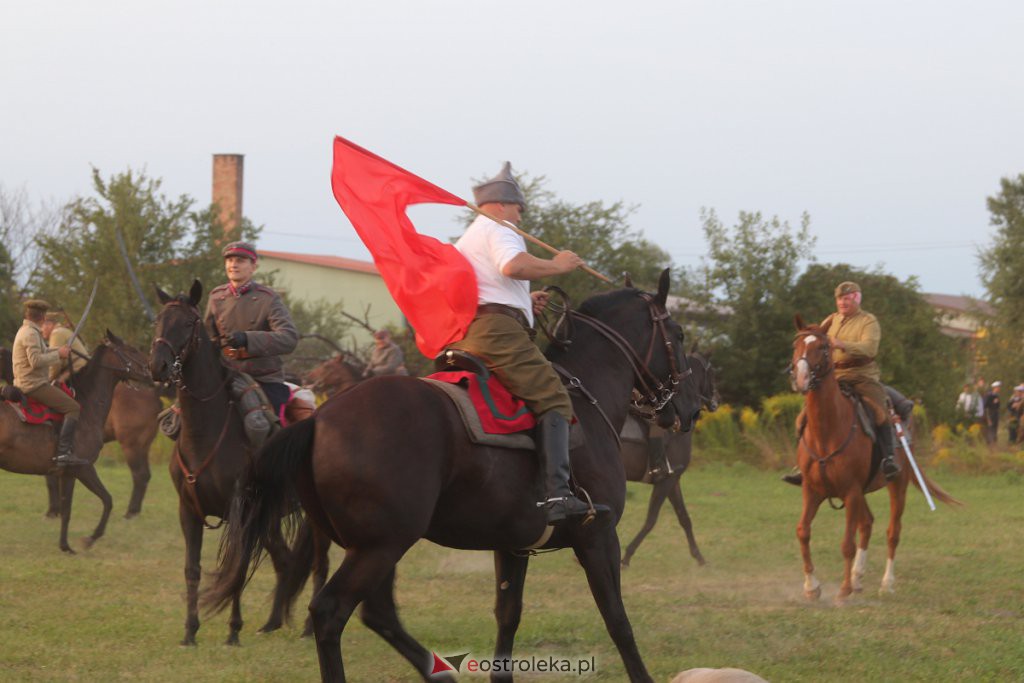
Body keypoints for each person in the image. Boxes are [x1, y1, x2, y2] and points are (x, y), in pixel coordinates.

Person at [446, 162, 610, 526]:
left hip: (479, 328)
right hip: (498, 333)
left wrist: (524, 299)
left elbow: (495, 283)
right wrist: (557, 265)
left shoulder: (472, 235)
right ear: (503, 204)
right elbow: (512, 266)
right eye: (519, 205)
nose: (522, 212)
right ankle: (557, 496)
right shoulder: (501, 227)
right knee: (554, 397)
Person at [784, 281, 900, 485]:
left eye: (847, 298)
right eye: (839, 299)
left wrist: (842, 344)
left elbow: (869, 349)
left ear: (856, 299)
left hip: (862, 375)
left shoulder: (868, 321)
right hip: (834, 376)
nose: (842, 302)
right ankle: (803, 466)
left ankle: (888, 459)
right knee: (803, 417)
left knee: (880, 413)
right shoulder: (831, 320)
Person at [204, 241, 300, 419]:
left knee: (262, 426)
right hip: (225, 374)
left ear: (253, 266)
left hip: (262, 378)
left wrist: (248, 339)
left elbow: (289, 338)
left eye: (240, 260)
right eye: (230, 260)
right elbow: (208, 339)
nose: (233, 264)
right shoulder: (216, 296)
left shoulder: (268, 299)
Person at [11, 300, 88, 466]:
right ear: (43, 317)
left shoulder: (27, 330)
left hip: (30, 382)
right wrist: (58, 355)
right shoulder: (31, 334)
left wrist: (58, 351)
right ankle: (63, 453)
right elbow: (36, 361)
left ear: (28, 315)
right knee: (73, 407)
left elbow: (43, 351)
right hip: (33, 385)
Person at [41, 311, 88, 383]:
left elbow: (55, 364)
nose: (41, 330)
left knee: (54, 386)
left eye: (41, 326)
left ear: (49, 325)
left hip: (77, 368)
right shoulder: (62, 331)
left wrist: (48, 379)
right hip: (80, 366)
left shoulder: (56, 334)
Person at [983, 380, 1001, 445]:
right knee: (990, 428)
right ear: (994, 388)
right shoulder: (989, 395)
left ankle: (994, 442)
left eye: (999, 387)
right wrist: (987, 417)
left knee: (995, 428)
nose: (999, 389)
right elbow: (985, 406)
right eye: (998, 387)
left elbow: (998, 406)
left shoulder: (997, 395)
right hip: (990, 413)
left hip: (996, 414)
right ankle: (989, 443)